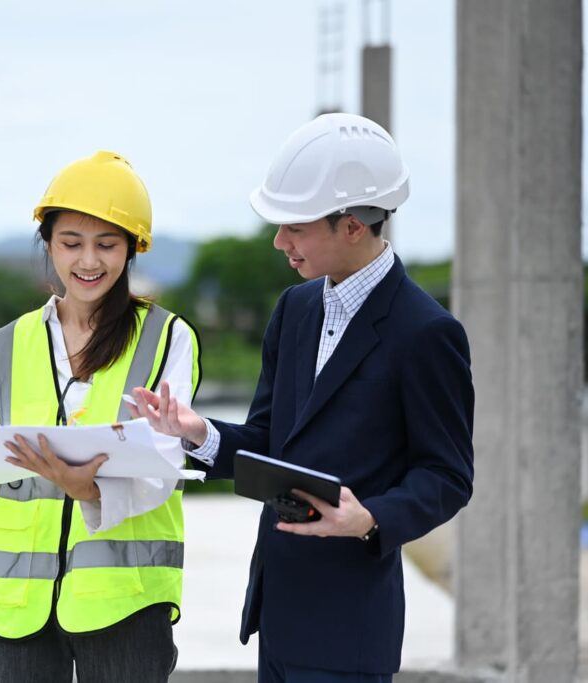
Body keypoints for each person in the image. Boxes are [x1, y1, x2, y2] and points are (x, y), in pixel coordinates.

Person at [130, 113, 475, 682]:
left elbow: (447, 475)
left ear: (353, 226)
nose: (278, 242)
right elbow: (270, 441)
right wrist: (199, 433)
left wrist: (370, 519)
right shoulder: (294, 311)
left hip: (352, 622)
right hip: (281, 611)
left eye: (295, 226)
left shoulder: (425, 332)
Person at [0, 151, 202, 683]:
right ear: (48, 244)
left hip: (124, 601)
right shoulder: (6, 344)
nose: (88, 261)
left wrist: (92, 492)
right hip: (20, 606)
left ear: (132, 249)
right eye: (71, 243)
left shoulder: (167, 336)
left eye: (107, 244)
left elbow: (166, 464)